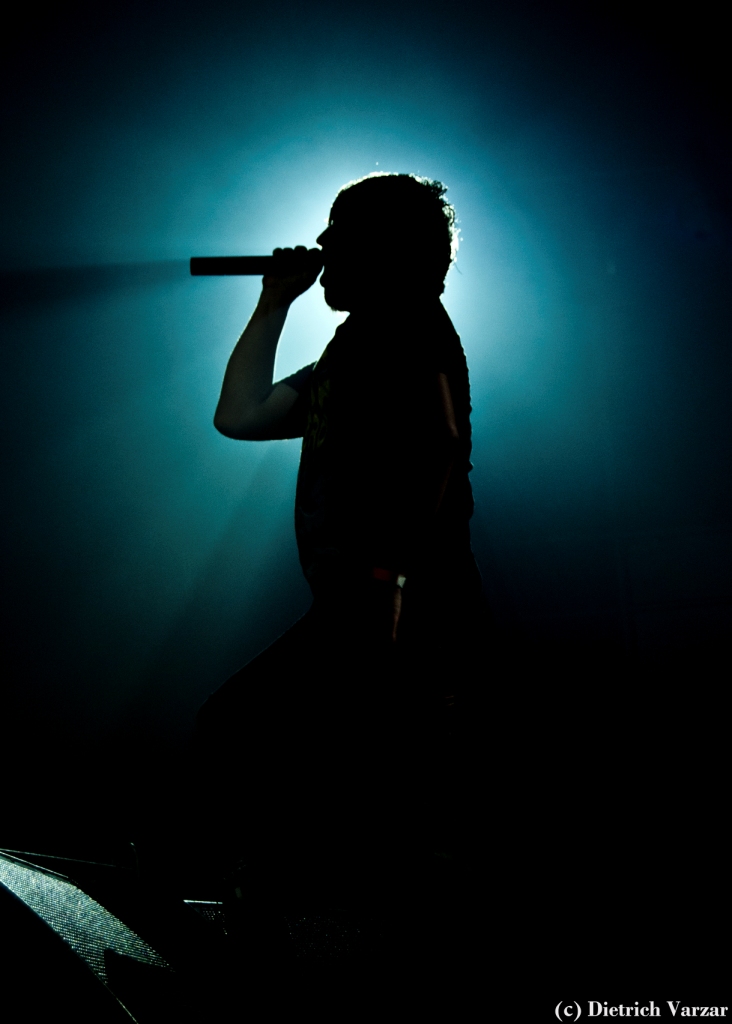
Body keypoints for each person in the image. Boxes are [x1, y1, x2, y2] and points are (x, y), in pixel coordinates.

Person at [194, 173, 486, 960]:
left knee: (251, 738)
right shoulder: (350, 350)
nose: (321, 246)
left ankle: (272, 927)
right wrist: (274, 302)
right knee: (298, 764)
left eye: (338, 233)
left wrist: (385, 590)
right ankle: (278, 915)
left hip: (402, 611)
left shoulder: (409, 329)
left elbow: (437, 443)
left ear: (383, 250)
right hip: (371, 608)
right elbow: (240, 415)